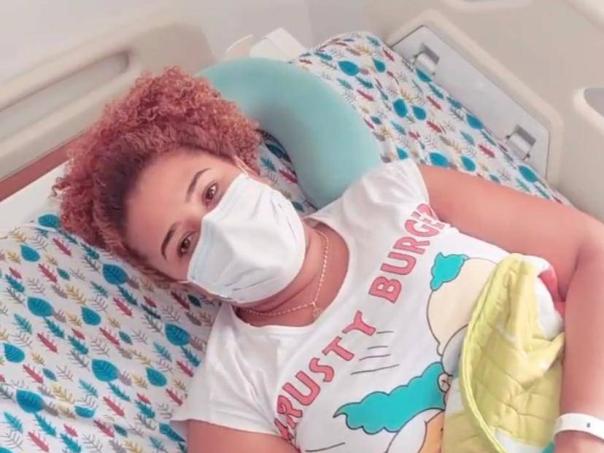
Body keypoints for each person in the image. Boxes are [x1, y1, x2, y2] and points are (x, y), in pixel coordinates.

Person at [56, 67, 604, 453]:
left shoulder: (395, 194)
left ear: (243, 164)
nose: (218, 227)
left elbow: (592, 253)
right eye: (184, 243)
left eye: (211, 191)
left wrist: (581, 433)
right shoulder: (230, 397)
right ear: (180, 282)